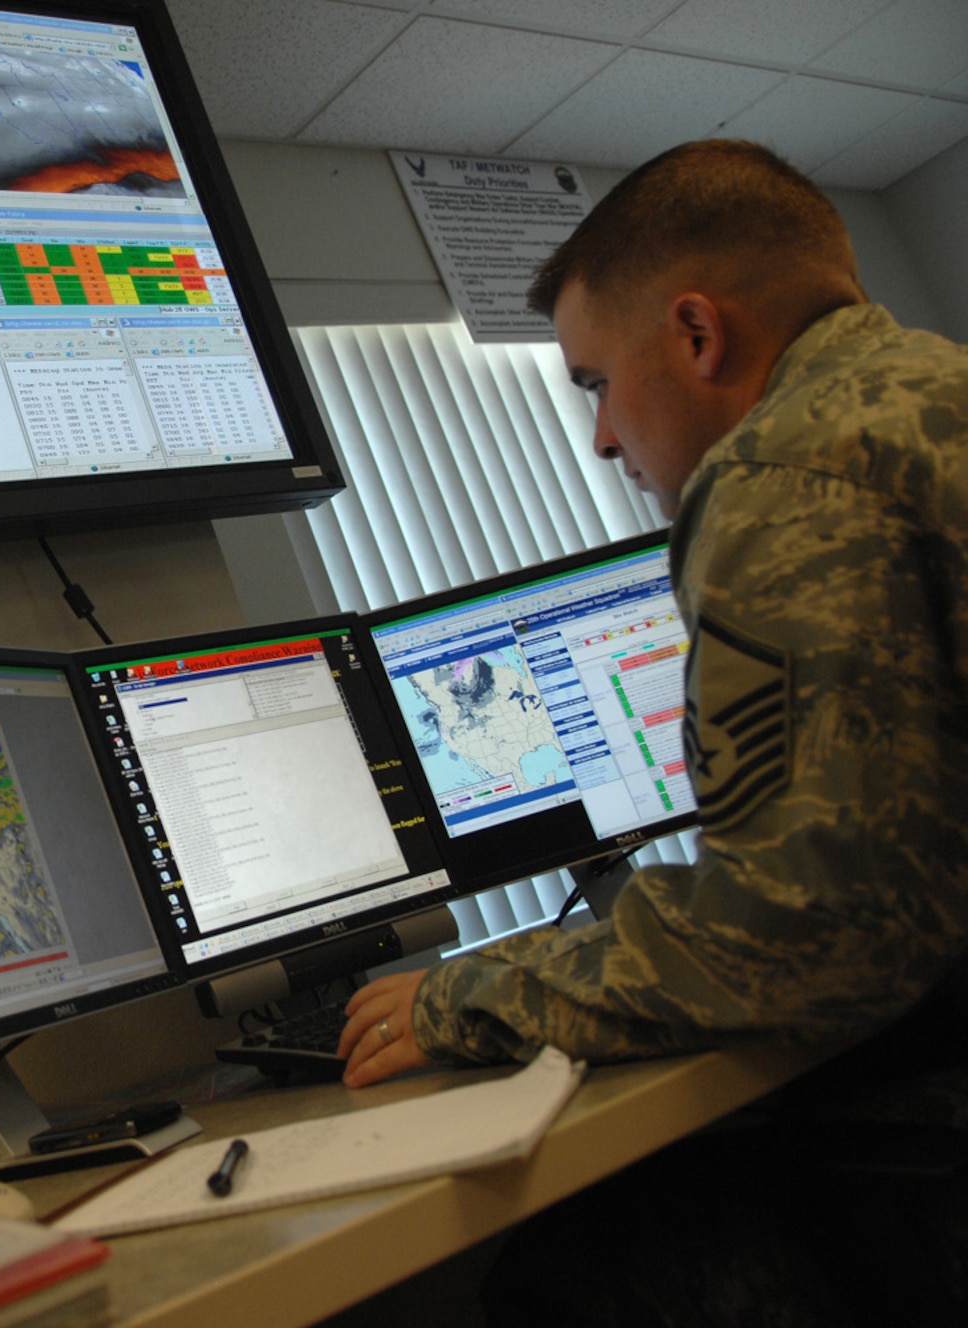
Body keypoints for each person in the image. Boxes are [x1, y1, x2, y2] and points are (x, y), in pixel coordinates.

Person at [333, 139, 968, 1322]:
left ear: (694, 334)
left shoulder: (786, 470)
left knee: (569, 1270)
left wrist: (460, 995)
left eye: (593, 383)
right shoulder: (927, 389)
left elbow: (811, 936)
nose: (602, 441)